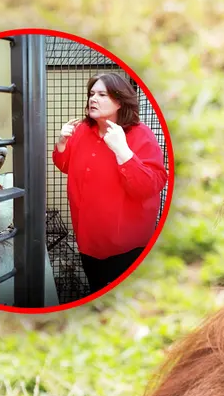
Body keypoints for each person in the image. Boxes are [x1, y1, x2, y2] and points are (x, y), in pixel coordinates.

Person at [52, 72, 168, 294]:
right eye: (92, 94)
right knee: (96, 288)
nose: (93, 99)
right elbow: (66, 166)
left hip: (125, 243)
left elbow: (150, 185)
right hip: (88, 236)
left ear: (119, 101)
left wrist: (122, 151)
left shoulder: (140, 134)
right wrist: (61, 143)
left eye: (102, 94)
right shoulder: (83, 130)